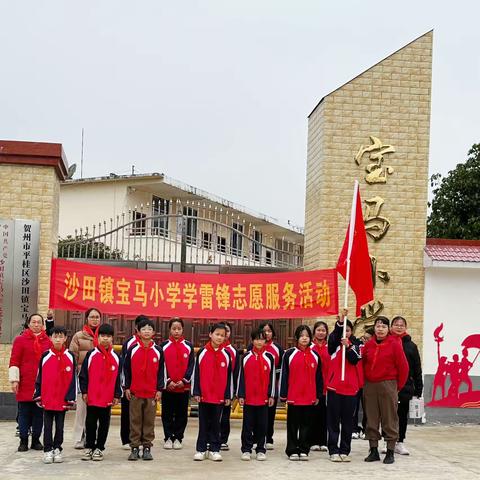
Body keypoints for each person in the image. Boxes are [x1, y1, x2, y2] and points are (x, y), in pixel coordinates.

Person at [362, 316, 409, 464]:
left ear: (388, 329)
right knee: (371, 418)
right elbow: (362, 364)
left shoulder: (395, 344)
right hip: (370, 385)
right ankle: (373, 450)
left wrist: (397, 387)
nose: (380, 329)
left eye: (383, 326)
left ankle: (390, 451)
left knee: (389, 419)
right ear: (374, 328)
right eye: (378, 326)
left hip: (388, 384)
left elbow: (403, 367)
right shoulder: (368, 345)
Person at [9, 313, 52, 452]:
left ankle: (35, 440)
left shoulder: (48, 342)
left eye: (39, 322)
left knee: (39, 414)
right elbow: (14, 360)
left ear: (43, 325)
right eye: (33, 322)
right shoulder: (20, 340)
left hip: (41, 384)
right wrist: (14, 380)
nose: (36, 324)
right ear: (28, 324)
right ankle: (23, 440)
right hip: (25, 383)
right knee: (24, 413)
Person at [280, 325, 322, 461]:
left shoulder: (315, 355)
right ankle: (292, 449)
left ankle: (304, 449)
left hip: (310, 396)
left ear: (310, 338)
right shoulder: (289, 354)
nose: (304, 338)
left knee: (306, 425)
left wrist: (317, 395)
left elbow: (318, 377)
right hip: (294, 396)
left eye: (307, 336)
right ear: (297, 337)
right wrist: (283, 394)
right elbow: (284, 375)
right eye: (302, 335)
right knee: (293, 425)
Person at [123, 317, 164, 461]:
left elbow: (161, 372)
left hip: (151, 393)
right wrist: (127, 387)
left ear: (153, 332)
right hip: (135, 392)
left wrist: (159, 389)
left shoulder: (158, 350)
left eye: (149, 329)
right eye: (143, 329)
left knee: (149, 421)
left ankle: (147, 447)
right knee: (135, 420)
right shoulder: (132, 349)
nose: (146, 332)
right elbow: (126, 370)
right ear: (138, 332)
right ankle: (134, 448)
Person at [33, 326, 76, 464]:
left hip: (62, 399)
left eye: (60, 336)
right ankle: (47, 450)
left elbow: (73, 379)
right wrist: (38, 394)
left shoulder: (70, 356)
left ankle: (57, 448)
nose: (58, 339)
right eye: (55, 336)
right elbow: (39, 376)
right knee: (47, 425)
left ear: (65, 338)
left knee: (60, 426)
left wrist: (70, 397)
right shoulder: (45, 356)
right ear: (50, 338)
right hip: (48, 398)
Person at [79, 323, 122, 461]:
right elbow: (83, 374)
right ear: (97, 337)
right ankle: (89, 447)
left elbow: (118, 378)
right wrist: (84, 391)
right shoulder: (91, 354)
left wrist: (117, 394)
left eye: (108, 336)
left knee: (104, 424)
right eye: (102, 336)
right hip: (92, 396)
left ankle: (99, 448)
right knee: (90, 423)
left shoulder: (116, 357)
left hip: (107, 397)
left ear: (112, 339)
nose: (105, 339)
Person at [192, 322, 233, 462]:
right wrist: (196, 391)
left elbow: (229, 377)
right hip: (204, 395)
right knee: (203, 423)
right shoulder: (202, 352)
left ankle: (215, 449)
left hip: (219, 396)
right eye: (217, 334)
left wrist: (228, 395)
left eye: (222, 335)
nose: (220, 337)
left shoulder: (227, 354)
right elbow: (196, 374)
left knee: (216, 423)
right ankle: (201, 449)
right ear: (210, 335)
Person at [326, 317, 363, 462]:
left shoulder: (357, 344)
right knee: (333, 421)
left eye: (347, 331)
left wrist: (348, 346)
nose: (344, 333)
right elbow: (334, 337)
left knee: (348, 422)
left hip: (351, 389)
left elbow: (355, 359)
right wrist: (339, 324)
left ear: (351, 332)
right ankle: (333, 450)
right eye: (342, 331)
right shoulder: (334, 342)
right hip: (334, 388)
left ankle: (345, 450)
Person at [237, 329, 276, 461]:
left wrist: (271, 395)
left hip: (263, 399)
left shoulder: (270, 357)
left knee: (262, 425)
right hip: (248, 398)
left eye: (262, 339)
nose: (259, 341)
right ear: (252, 340)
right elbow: (241, 378)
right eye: (257, 339)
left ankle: (261, 449)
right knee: (247, 425)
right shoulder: (246, 357)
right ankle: (246, 449)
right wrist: (241, 395)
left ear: (266, 341)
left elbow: (272, 379)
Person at [159, 318, 194, 450]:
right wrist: (168, 381)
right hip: (168, 387)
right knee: (167, 413)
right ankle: (168, 437)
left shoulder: (188, 346)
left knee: (181, 414)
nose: (176, 331)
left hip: (183, 388)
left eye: (179, 328)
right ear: (169, 330)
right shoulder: (163, 346)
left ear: (182, 329)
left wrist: (184, 380)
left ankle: (178, 437)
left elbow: (191, 365)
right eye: (174, 328)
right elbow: (161, 366)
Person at [390, 315, 423, 456]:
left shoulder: (411, 346)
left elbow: (417, 368)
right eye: (396, 324)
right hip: (388, 384)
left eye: (401, 325)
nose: (399, 326)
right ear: (391, 327)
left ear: (406, 327)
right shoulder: (387, 342)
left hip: (405, 386)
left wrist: (418, 388)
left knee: (402, 415)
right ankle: (389, 442)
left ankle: (400, 442)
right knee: (388, 415)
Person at [70, 308, 102, 449]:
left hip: (100, 378)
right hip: (82, 378)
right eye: (92, 317)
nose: (95, 319)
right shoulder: (78, 336)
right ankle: (79, 438)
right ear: (87, 319)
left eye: (97, 317)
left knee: (95, 410)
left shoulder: (104, 336)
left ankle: (92, 437)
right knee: (81, 409)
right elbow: (72, 357)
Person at [120, 315, 146, 450]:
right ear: (137, 328)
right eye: (142, 327)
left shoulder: (152, 345)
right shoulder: (129, 343)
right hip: (130, 386)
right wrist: (125, 386)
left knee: (142, 414)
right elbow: (125, 366)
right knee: (127, 413)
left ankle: (141, 439)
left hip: (145, 388)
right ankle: (126, 439)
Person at [257, 321, 284, 450]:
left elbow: (281, 368)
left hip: (272, 384)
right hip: (256, 386)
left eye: (269, 331)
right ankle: (256, 438)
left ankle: (269, 438)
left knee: (270, 413)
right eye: (264, 330)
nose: (267, 333)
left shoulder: (277, 348)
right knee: (256, 413)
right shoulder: (255, 346)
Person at [310, 320, 330, 452]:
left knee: (325, 414)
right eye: (318, 330)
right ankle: (313, 441)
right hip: (312, 385)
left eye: (323, 330)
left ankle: (323, 441)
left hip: (327, 385)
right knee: (313, 415)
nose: (321, 332)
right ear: (314, 332)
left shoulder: (331, 347)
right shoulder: (310, 347)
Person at [220, 322, 239, 451]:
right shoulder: (208, 349)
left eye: (227, 331)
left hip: (227, 389)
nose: (224, 334)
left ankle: (223, 440)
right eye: (222, 331)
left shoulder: (233, 351)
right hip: (212, 390)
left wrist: (235, 391)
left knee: (225, 416)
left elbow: (236, 372)